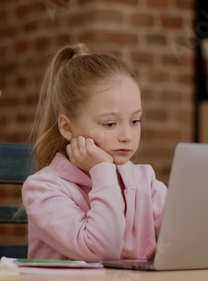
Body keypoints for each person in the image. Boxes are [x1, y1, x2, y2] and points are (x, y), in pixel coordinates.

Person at [22, 43, 167, 261]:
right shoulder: (43, 188)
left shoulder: (144, 182)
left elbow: (190, 235)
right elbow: (101, 250)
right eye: (109, 124)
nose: (127, 135)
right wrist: (102, 171)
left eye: (135, 120)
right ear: (67, 128)